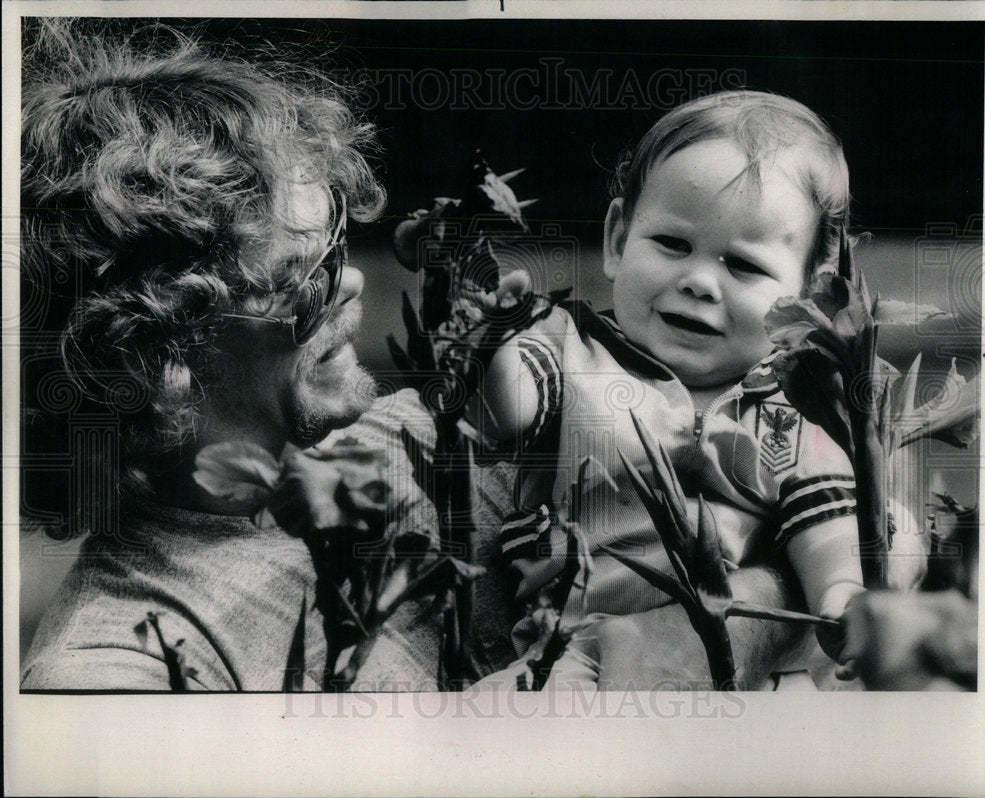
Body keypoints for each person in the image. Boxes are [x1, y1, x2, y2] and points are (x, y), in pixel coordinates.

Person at [19, 23, 816, 692]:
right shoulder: (117, 670)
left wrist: (759, 597)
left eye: (336, 241)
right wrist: (626, 656)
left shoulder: (424, 447)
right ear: (156, 358)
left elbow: (818, 532)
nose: (356, 282)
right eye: (305, 279)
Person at [475, 91, 865, 687]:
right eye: (672, 245)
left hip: (736, 664)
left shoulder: (792, 412)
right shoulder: (572, 352)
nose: (699, 281)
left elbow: (827, 526)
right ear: (616, 239)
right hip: (575, 648)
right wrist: (492, 346)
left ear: (805, 298)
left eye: (744, 266)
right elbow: (507, 413)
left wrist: (842, 595)